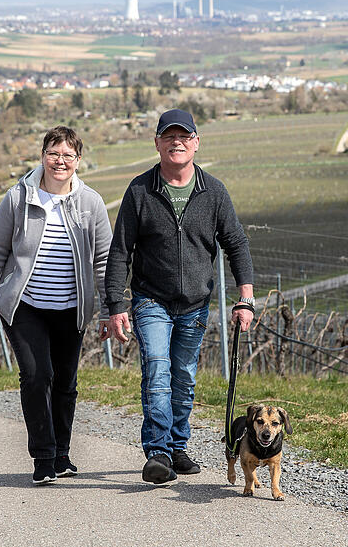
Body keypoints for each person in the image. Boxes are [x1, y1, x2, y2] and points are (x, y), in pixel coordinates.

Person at [100, 108, 254, 484]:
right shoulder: (140, 190)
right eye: (168, 137)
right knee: (157, 370)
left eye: (184, 136)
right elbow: (120, 250)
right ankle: (158, 453)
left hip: (195, 304)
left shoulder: (213, 191)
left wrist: (245, 297)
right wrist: (116, 307)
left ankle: (177, 446)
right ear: (157, 144)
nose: (177, 142)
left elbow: (236, 243)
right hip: (150, 299)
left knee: (184, 378)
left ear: (196, 143)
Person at [0, 125, 112, 485]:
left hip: (71, 308)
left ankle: (62, 454)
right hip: (25, 305)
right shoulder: (19, 198)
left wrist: (111, 310)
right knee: (37, 376)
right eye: (53, 154)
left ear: (78, 161)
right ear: (43, 156)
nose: (59, 161)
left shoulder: (90, 203)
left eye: (67, 155)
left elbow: (104, 261)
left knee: (65, 381)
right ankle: (44, 457)